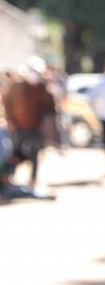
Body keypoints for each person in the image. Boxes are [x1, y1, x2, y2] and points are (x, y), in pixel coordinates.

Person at [1, 56, 56, 189]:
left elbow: (50, 108)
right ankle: (7, 178)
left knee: (35, 153)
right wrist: (10, 121)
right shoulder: (17, 86)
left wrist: (48, 123)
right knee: (14, 152)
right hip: (18, 126)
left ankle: (33, 179)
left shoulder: (43, 88)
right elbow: (7, 103)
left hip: (35, 127)